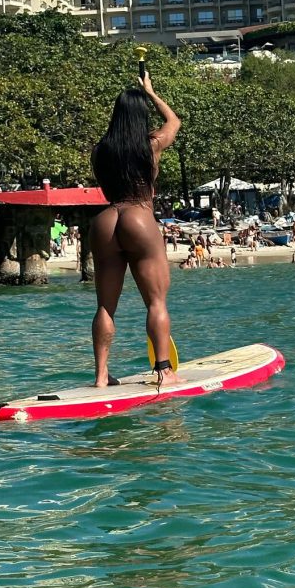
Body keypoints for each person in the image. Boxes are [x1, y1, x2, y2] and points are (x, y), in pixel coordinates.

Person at [89, 72, 181, 390]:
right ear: (141, 116)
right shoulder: (151, 145)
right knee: (156, 301)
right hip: (139, 217)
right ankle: (164, 370)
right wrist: (152, 93)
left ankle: (101, 375)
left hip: (106, 219)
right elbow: (174, 121)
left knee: (105, 305)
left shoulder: (100, 151)